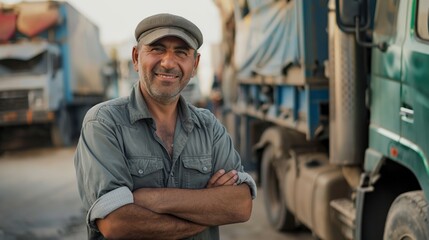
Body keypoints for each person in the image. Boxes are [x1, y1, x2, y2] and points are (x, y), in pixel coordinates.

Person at [74, 13, 257, 240]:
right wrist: (208, 209)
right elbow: (117, 223)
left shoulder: (209, 127)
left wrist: (151, 198)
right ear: (135, 57)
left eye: (181, 52)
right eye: (157, 49)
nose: (169, 63)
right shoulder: (104, 123)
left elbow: (240, 205)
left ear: (195, 64)